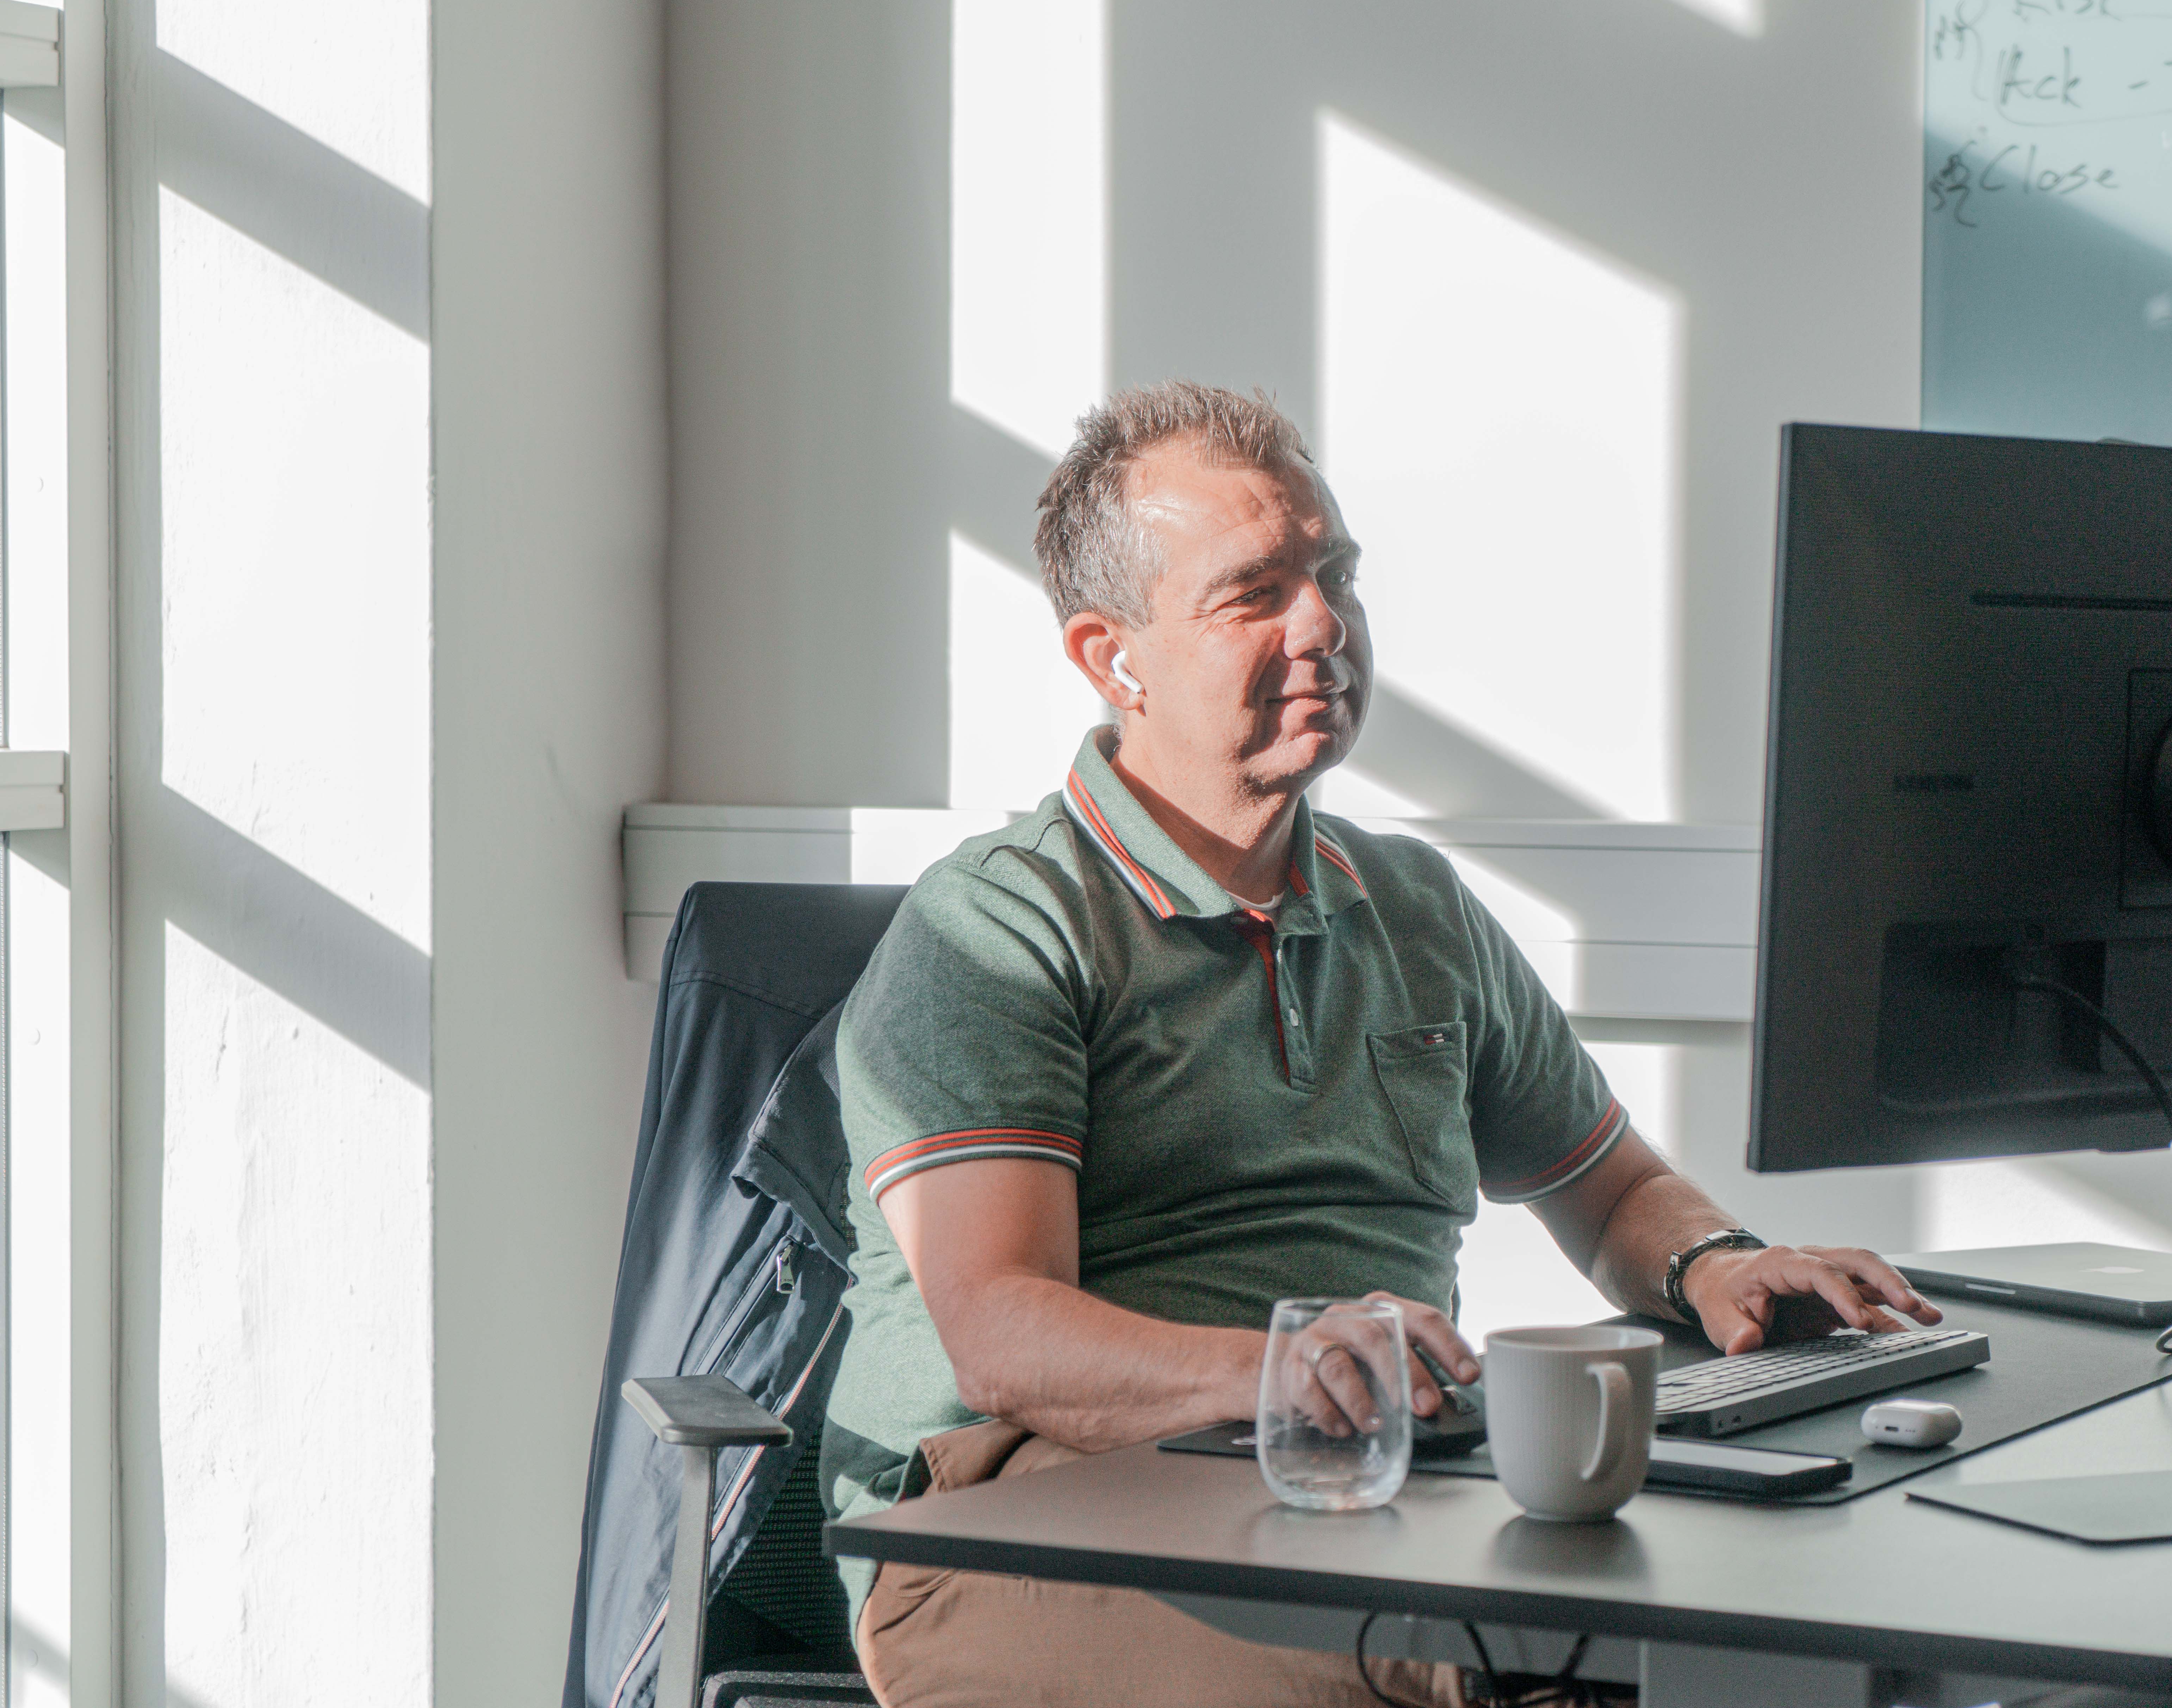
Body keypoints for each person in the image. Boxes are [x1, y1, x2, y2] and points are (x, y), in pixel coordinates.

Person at [822, 382, 1938, 1708]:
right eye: (1256, 593)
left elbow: (1617, 1191)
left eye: (1334, 574)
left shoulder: (1411, 906)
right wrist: (1285, 1370)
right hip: (1010, 1524)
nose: (1325, 626)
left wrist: (1718, 1265)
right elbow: (1004, 1336)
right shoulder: (999, 925)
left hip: (1357, 1490)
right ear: (1111, 657)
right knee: (1492, 1671)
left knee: (1760, 1617)